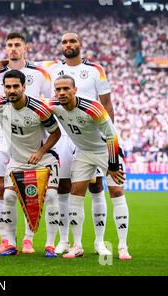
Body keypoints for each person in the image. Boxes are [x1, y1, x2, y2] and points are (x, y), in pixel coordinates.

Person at [40, 33, 114, 255]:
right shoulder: (51, 68)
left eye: (72, 41)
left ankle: (99, 242)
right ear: (61, 46)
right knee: (64, 186)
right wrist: (1, 62)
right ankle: (64, 240)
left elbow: (107, 106)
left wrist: (108, 140)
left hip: (91, 136)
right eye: (64, 42)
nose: (68, 45)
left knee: (96, 186)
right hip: (63, 135)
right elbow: (24, 63)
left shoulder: (96, 70)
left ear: (80, 44)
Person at [47, 75, 131, 260]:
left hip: (105, 150)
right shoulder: (53, 104)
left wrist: (113, 164)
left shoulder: (92, 107)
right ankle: (77, 246)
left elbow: (112, 135)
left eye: (66, 89)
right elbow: (28, 101)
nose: (62, 93)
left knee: (116, 191)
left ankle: (123, 246)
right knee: (76, 193)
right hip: (83, 152)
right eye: (58, 89)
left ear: (75, 90)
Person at [0, 32, 53, 254]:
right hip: (4, 134)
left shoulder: (40, 73)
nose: (13, 48)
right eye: (9, 45)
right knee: (2, 187)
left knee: (31, 189)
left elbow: (49, 102)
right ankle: (7, 240)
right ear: (5, 48)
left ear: (26, 47)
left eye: (17, 45)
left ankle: (28, 238)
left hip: (33, 135)